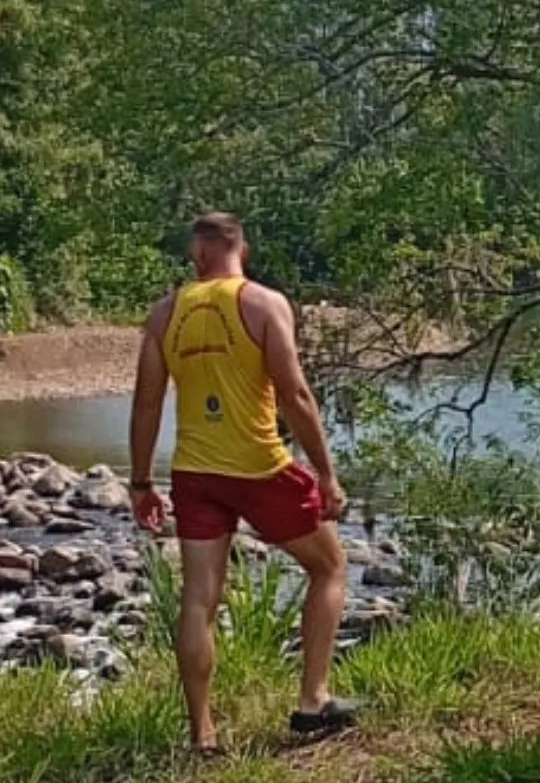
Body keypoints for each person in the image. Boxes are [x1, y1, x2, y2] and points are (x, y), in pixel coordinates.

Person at [126, 212, 358, 754]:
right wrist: (325, 473)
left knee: (198, 601)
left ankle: (203, 736)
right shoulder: (262, 303)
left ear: (197, 254)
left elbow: (146, 403)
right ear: (241, 250)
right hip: (260, 467)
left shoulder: (164, 316)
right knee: (330, 566)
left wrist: (141, 482)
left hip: (196, 473)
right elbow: (295, 395)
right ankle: (313, 702)